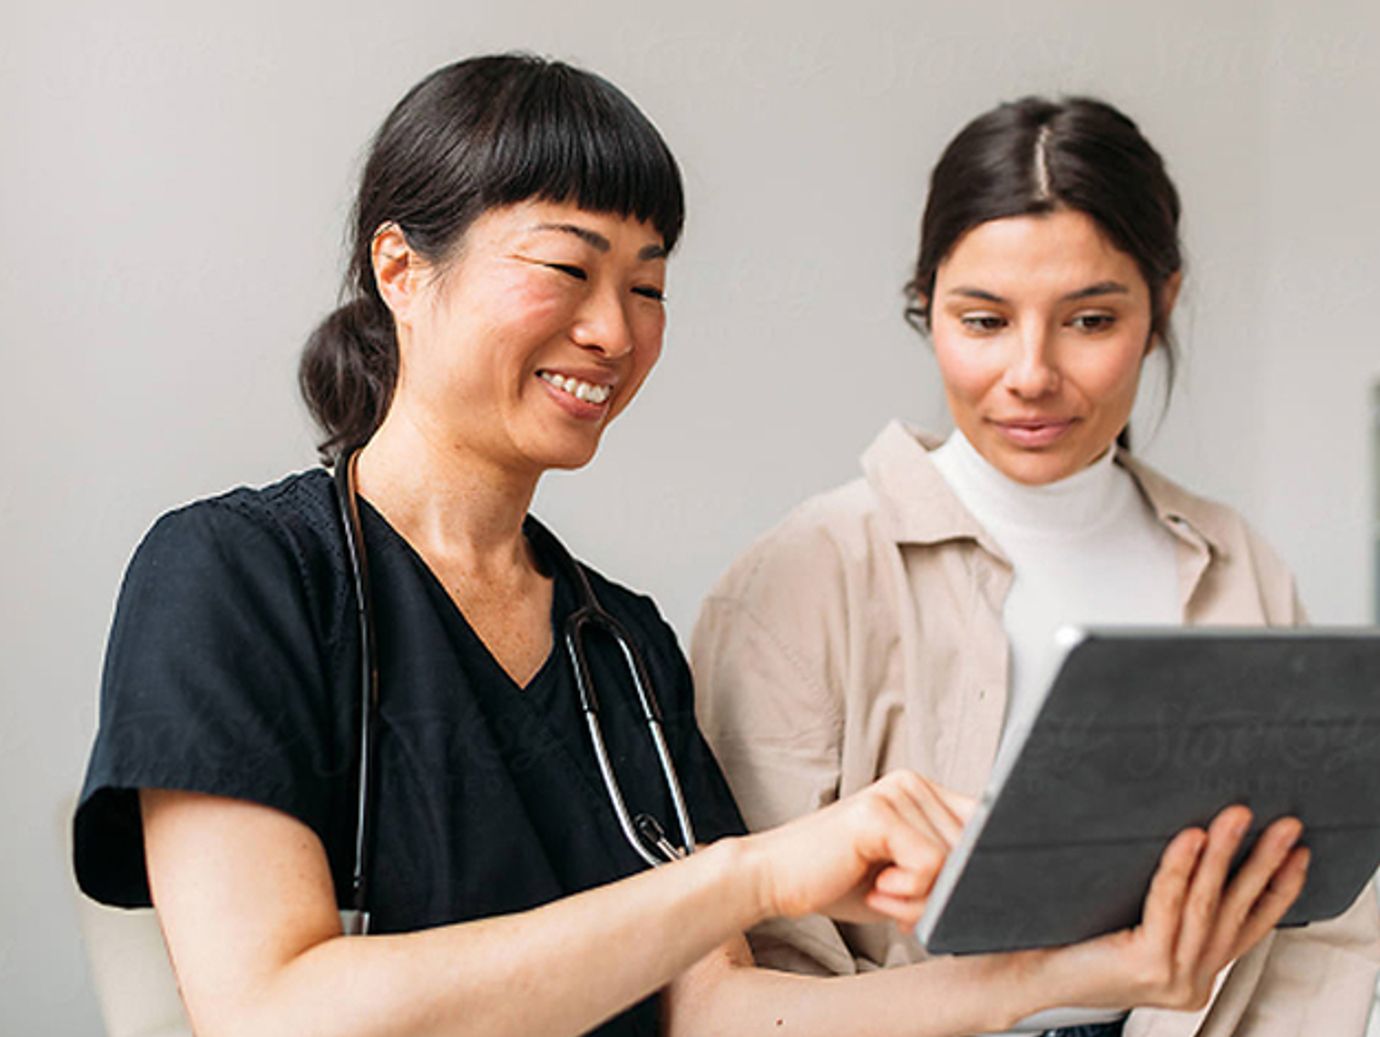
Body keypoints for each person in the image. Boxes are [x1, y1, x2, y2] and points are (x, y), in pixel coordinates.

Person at [73, 62, 1313, 1037]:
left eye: (649, 284)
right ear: (400, 266)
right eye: (566, 267)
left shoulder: (619, 643)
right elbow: (277, 1012)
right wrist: (752, 875)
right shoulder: (235, 577)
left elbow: (723, 1012)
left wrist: (1071, 971)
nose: (611, 330)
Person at [692, 95, 1380, 1037]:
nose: (1031, 373)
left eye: (1089, 320)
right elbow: (760, 971)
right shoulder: (802, 578)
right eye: (983, 321)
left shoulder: (1236, 567)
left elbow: (1318, 927)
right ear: (926, 304)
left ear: (1161, 304)